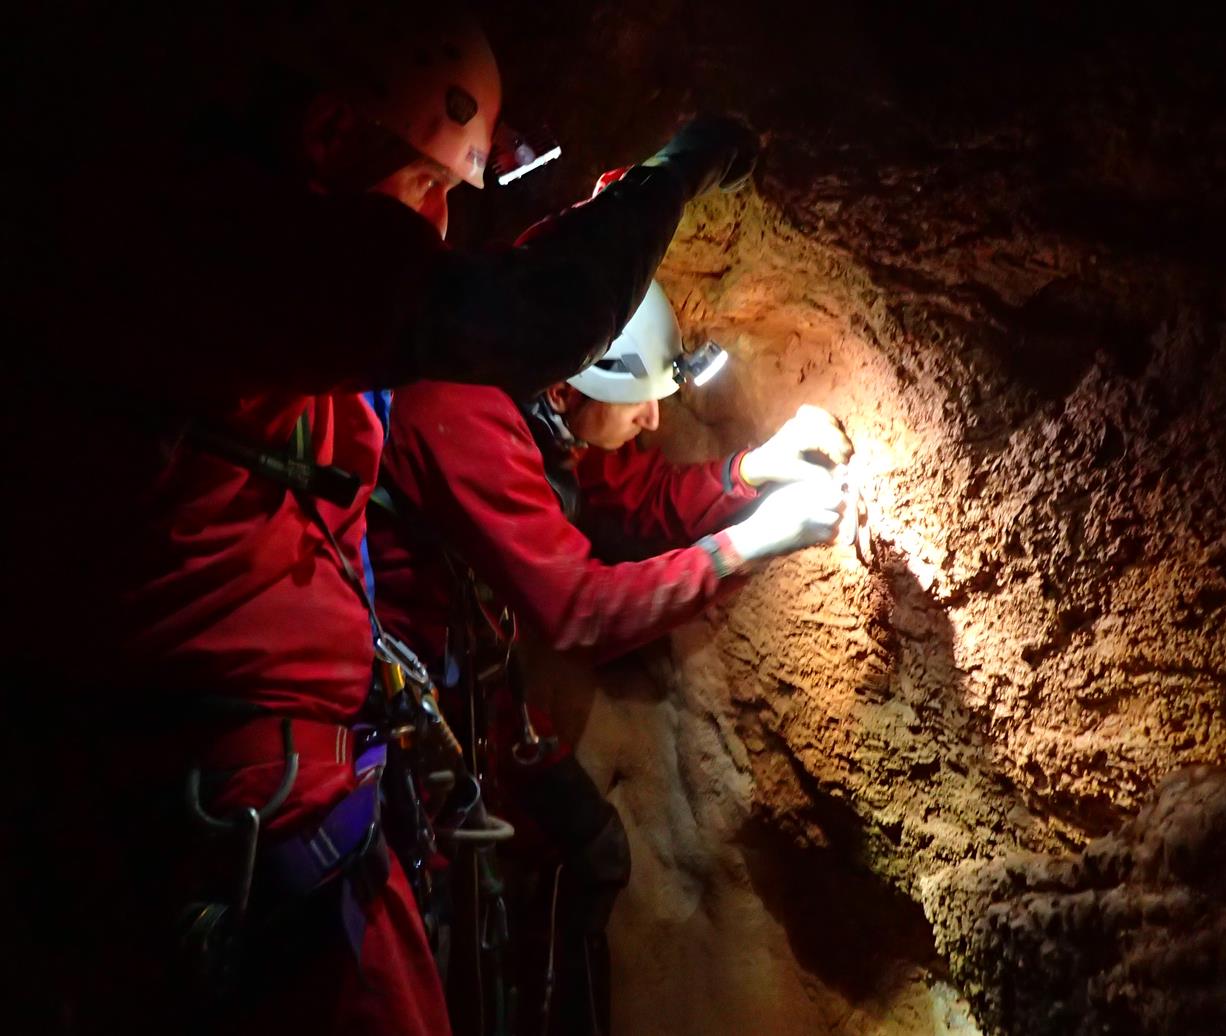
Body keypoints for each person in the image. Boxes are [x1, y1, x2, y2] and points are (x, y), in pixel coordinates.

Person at [3, 5, 759, 1034]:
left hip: (232, 790)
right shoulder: (243, 246)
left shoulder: (204, 274)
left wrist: (744, 476)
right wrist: (674, 168)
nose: (440, 225)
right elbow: (535, 314)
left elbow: (601, 480)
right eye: (429, 183)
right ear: (326, 135)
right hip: (238, 807)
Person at [367, 276, 851, 1034]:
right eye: (639, 403)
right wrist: (747, 543)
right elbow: (579, 612)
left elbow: (631, 495)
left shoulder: (533, 400)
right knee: (437, 928)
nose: (655, 418)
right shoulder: (462, 415)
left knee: (589, 850)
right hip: (403, 727)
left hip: (473, 703)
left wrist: (748, 472)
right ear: (566, 390)